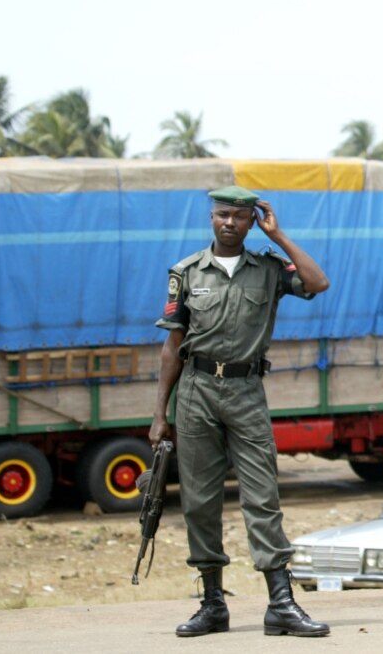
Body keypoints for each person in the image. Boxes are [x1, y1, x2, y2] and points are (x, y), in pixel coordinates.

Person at [150, 185, 331, 638]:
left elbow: (317, 283)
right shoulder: (187, 273)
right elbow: (173, 346)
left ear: (253, 221)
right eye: (221, 214)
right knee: (199, 500)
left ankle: (281, 604)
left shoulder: (269, 270)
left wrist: (281, 236)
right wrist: (160, 414)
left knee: (262, 496)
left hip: (246, 390)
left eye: (239, 216)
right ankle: (212, 604)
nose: (229, 222)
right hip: (195, 392)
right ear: (211, 218)